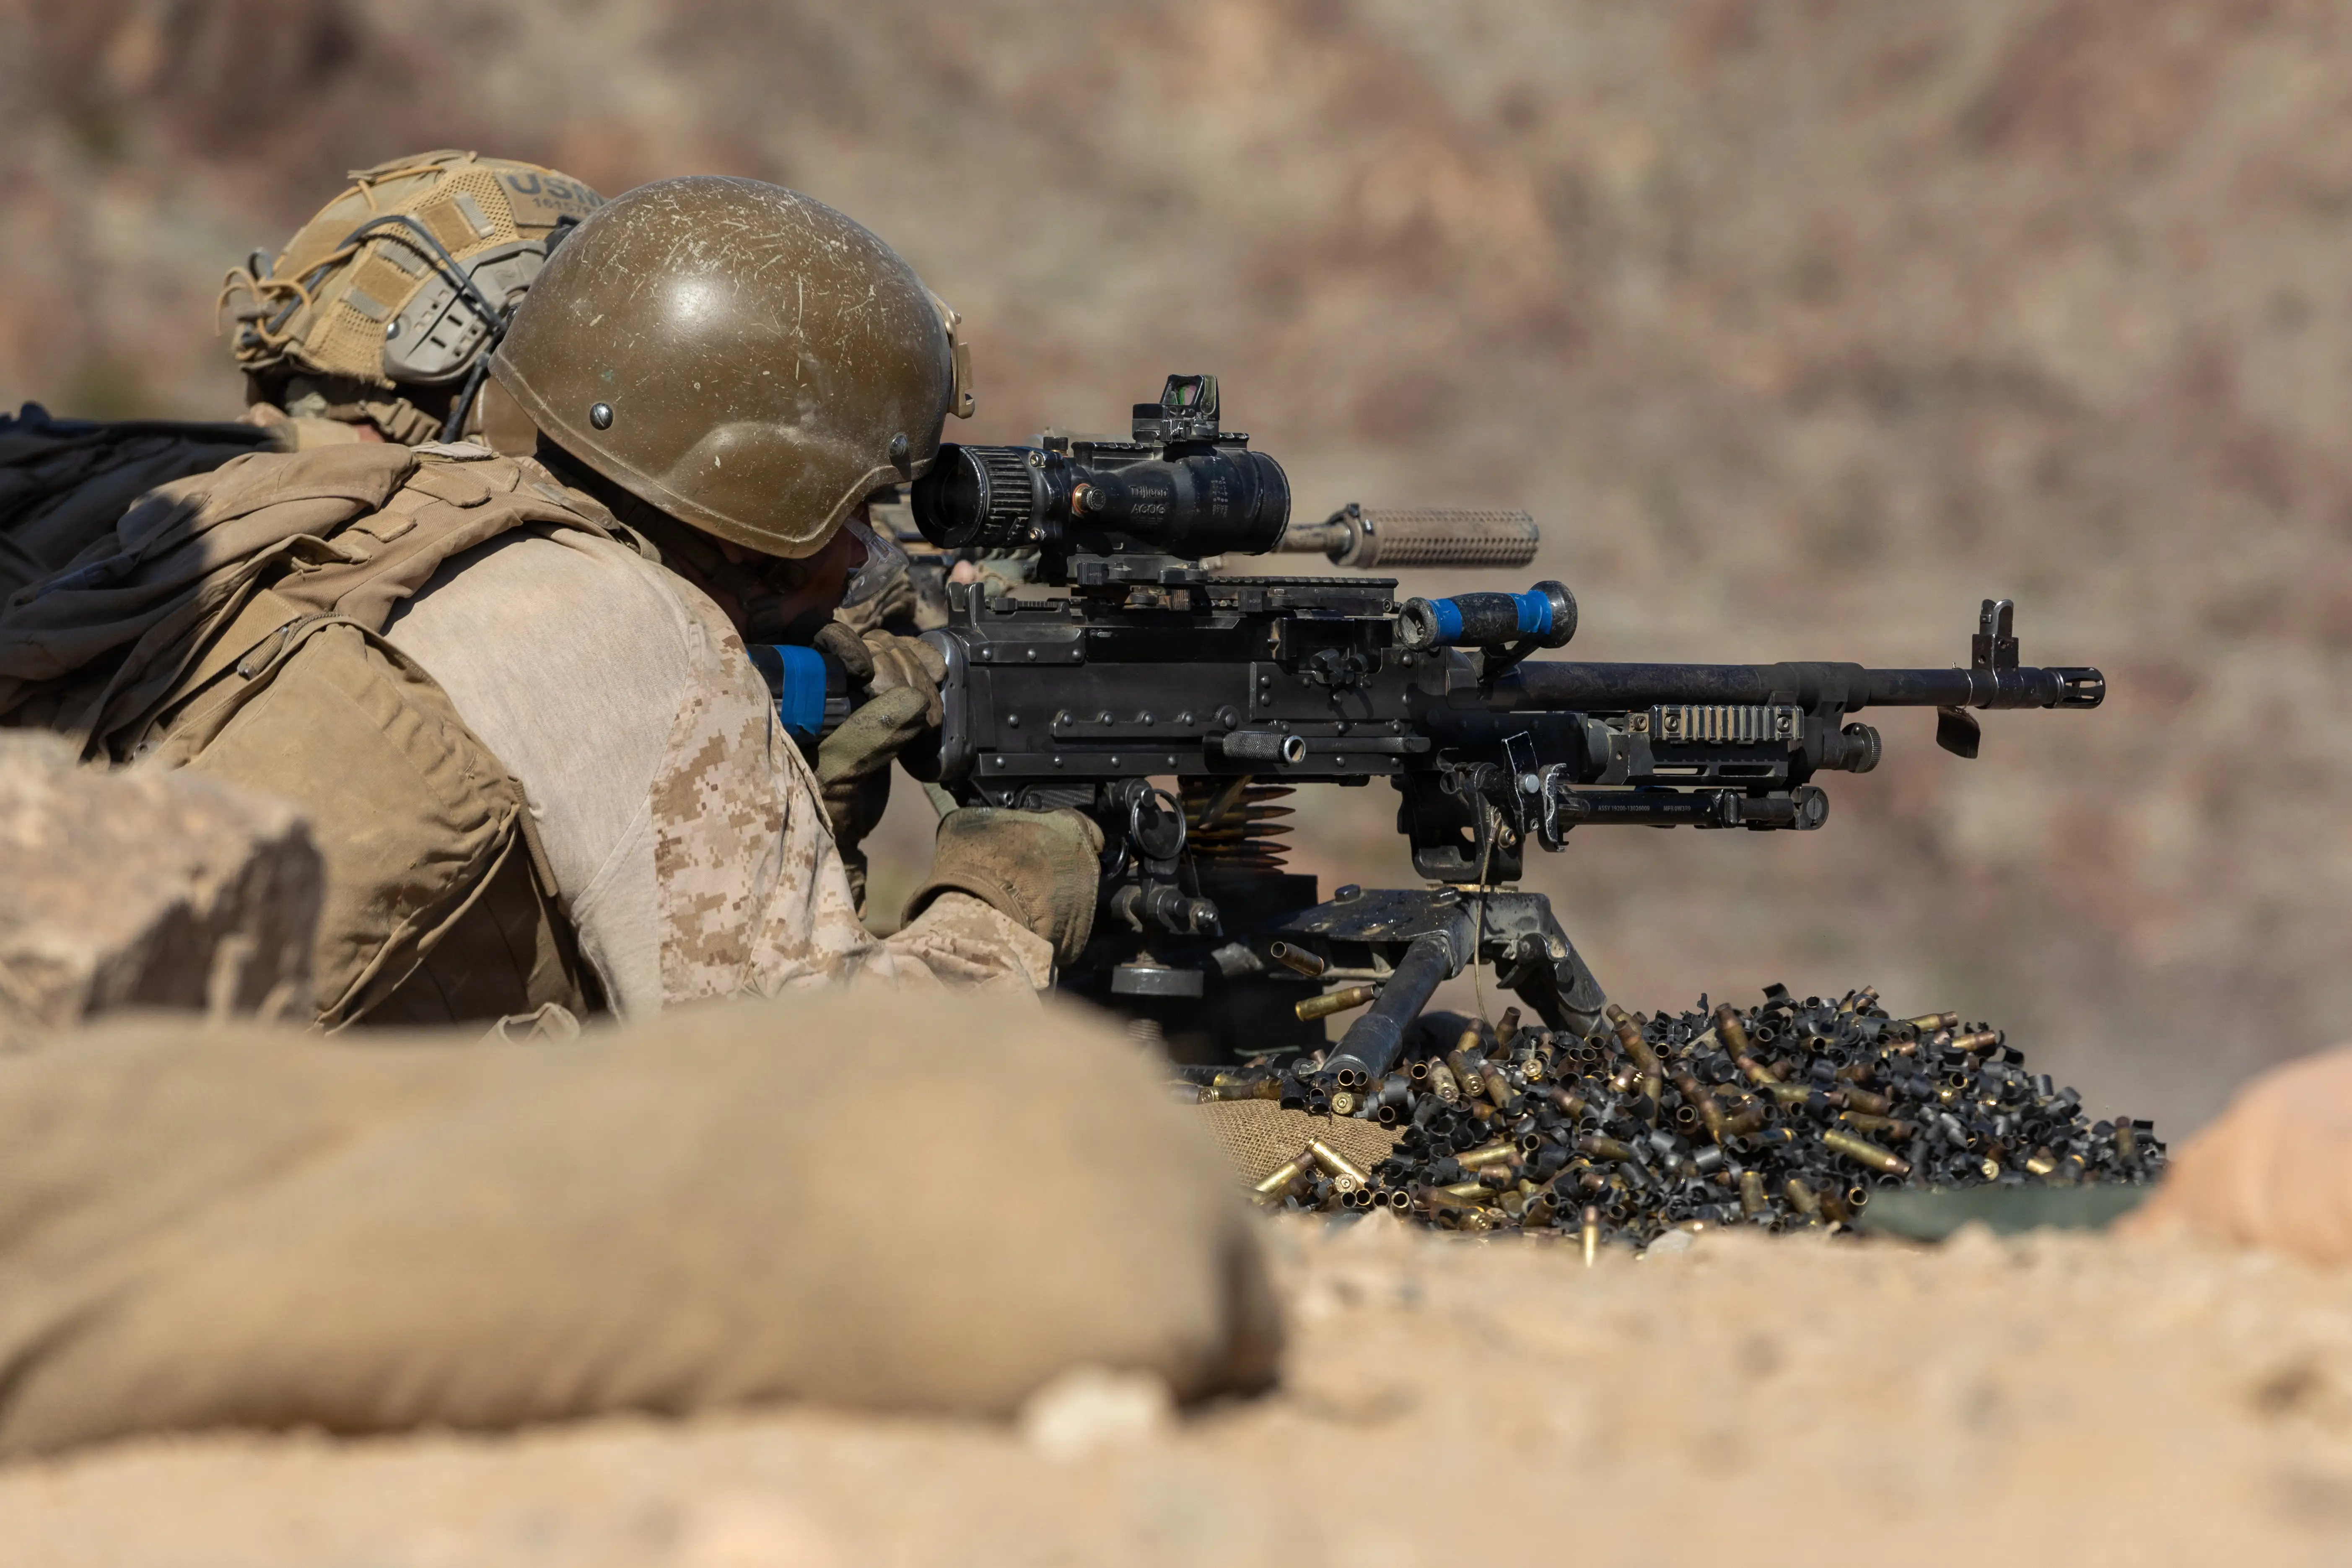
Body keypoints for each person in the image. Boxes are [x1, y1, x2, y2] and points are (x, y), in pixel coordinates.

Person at [0, 177, 1100, 1026]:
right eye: (857, 510)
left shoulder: (380, 515)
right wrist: (1001, 905)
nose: (864, 557)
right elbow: (806, 1088)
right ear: (763, 490)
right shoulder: (629, 628)